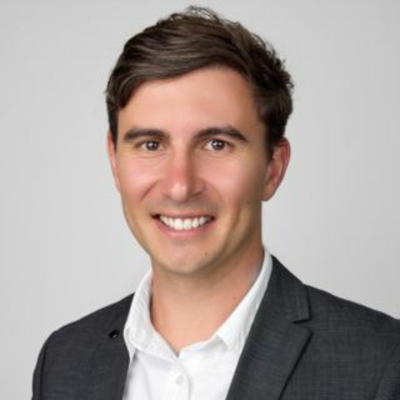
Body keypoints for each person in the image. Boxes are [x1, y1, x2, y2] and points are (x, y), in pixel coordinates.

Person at [32, 7, 400, 400]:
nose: (180, 186)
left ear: (273, 167)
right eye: (151, 145)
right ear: (113, 161)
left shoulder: (380, 363)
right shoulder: (64, 360)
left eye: (216, 144)